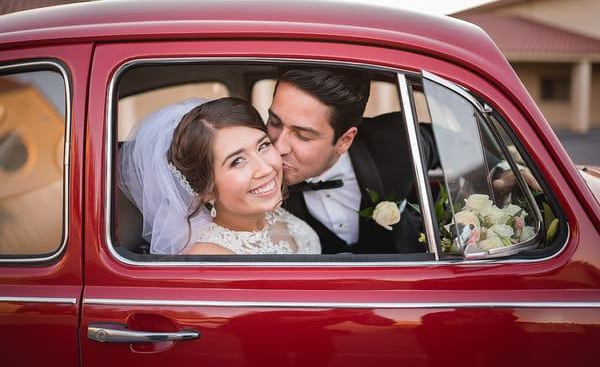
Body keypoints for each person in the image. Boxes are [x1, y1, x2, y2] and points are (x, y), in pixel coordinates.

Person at [119, 97, 321, 255]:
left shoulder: (277, 215)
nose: (266, 168)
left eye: (263, 146)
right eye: (237, 161)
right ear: (204, 191)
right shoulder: (207, 258)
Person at [266, 68, 437, 254]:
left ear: (345, 140)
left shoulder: (398, 143)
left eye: (303, 136)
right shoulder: (254, 167)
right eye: (275, 123)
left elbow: (464, 148)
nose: (279, 147)